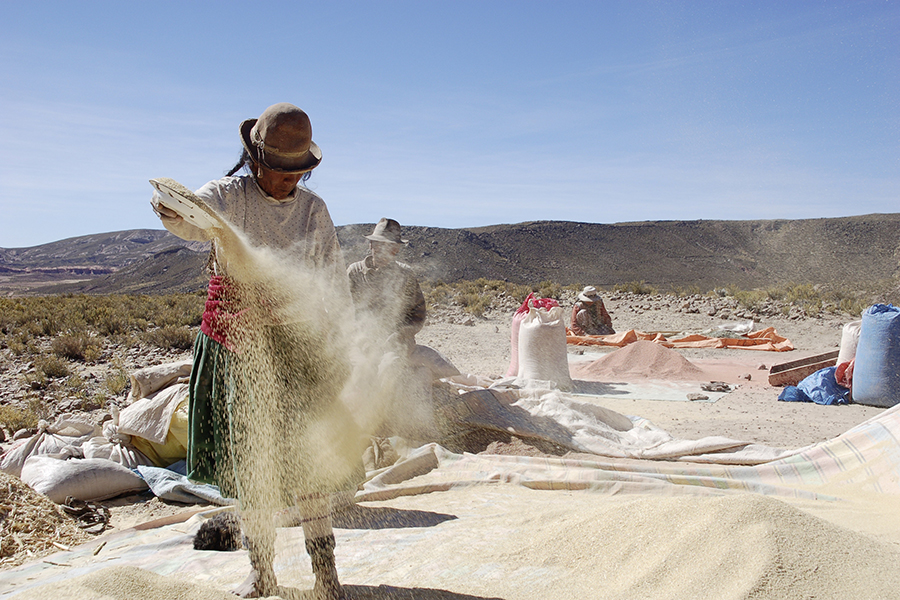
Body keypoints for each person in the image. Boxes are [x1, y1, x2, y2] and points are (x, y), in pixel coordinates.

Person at [152, 102, 354, 599]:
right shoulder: (227, 195)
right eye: (281, 170)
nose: (289, 180)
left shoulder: (313, 210)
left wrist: (342, 339)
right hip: (236, 344)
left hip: (295, 346)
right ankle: (261, 570)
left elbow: (331, 278)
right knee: (253, 460)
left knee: (309, 461)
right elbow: (192, 219)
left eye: (299, 172)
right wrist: (172, 210)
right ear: (255, 158)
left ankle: (325, 572)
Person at [346, 218, 426, 354]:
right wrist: (359, 336)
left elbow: (418, 314)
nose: (383, 251)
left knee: (389, 367)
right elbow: (342, 308)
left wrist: (400, 335)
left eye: (390, 247)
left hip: (397, 342)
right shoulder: (354, 272)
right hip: (361, 339)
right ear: (371, 244)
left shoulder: (405, 275)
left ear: (396, 249)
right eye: (378, 245)